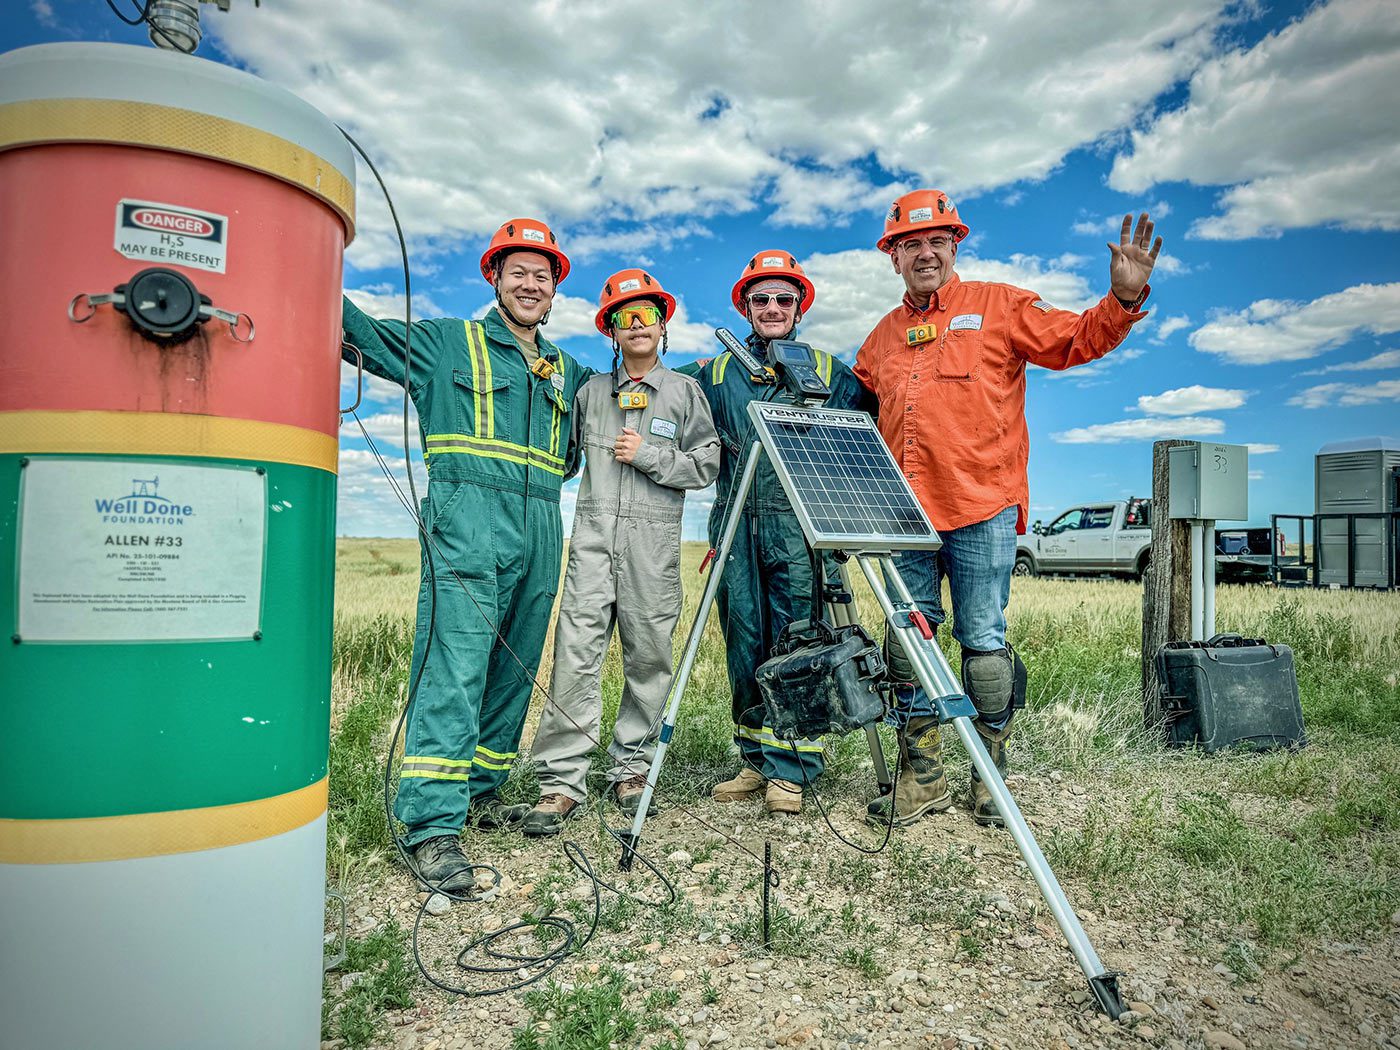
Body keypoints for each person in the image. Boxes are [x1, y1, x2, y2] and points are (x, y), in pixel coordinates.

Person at [854, 190, 1161, 827]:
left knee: (984, 642)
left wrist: (1123, 301)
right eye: (910, 244)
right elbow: (854, 414)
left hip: (981, 506)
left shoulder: (999, 306)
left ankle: (988, 773)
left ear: (954, 245)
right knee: (906, 642)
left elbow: (1077, 339)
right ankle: (924, 773)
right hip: (903, 514)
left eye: (936, 240)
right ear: (894, 257)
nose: (925, 253)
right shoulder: (881, 337)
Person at [341, 218, 592, 891]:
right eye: (519, 271)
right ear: (495, 277)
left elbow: (633, 395)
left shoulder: (570, 371)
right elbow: (355, 333)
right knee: (454, 668)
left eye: (544, 274)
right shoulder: (446, 343)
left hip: (541, 522)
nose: (532, 282)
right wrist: (298, 248)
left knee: (514, 670)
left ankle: (480, 789)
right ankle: (430, 825)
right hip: (466, 520)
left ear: (555, 287)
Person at [523, 269, 720, 836]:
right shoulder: (588, 394)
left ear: (663, 325)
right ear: (610, 327)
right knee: (575, 655)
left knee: (649, 658)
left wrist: (654, 456)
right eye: (624, 315)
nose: (637, 324)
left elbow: (707, 464)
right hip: (591, 544)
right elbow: (562, 460)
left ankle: (631, 770)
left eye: (648, 315)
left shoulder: (685, 394)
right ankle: (561, 781)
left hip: (653, 550)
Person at [683, 251, 874, 816]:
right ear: (745, 305)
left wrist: (843, 517)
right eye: (760, 299)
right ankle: (755, 757)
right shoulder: (713, 373)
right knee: (744, 639)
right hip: (736, 519)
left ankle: (793, 767)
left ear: (799, 306)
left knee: (800, 640)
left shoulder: (828, 370)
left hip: (800, 525)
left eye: (783, 299)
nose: (771, 308)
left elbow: (863, 442)